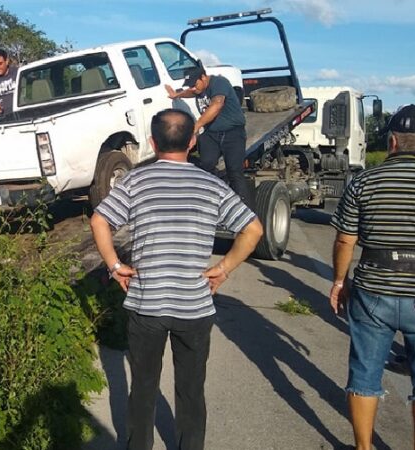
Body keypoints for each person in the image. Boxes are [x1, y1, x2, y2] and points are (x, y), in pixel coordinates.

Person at [90, 108, 263, 450]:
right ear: (194, 141)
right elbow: (253, 229)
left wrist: (114, 265)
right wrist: (224, 268)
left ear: (153, 143)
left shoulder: (135, 182)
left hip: (147, 304)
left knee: (142, 386)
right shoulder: (212, 185)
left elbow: (99, 220)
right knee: (191, 389)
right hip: (194, 306)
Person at [329, 104, 415, 450]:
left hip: (374, 289)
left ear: (392, 142)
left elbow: (344, 239)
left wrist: (339, 281)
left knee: (365, 374)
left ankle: (364, 447)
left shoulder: (365, 180)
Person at [165, 64, 252, 208]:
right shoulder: (198, 88)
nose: (193, 88)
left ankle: (246, 212)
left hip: (233, 133)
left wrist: (197, 126)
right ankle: (216, 197)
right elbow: (191, 92)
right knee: (205, 165)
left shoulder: (219, 82)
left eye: (195, 84)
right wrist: (177, 95)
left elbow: (217, 105)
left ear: (203, 77)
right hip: (212, 133)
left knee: (235, 172)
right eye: (191, 85)